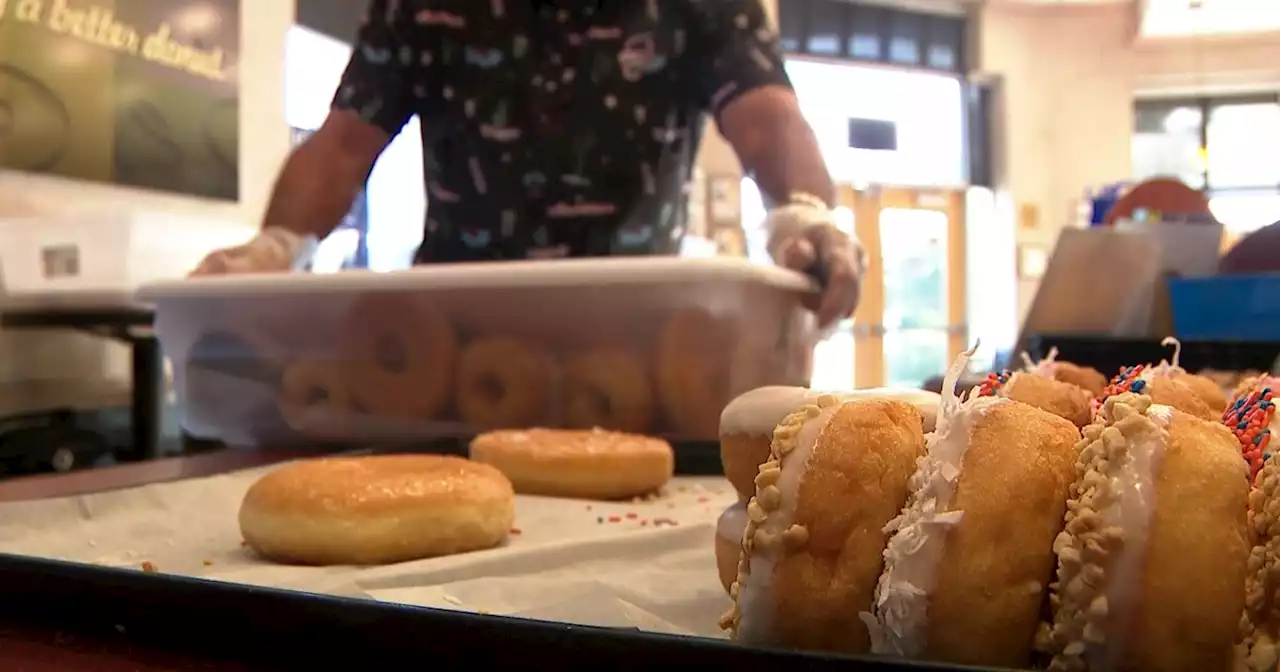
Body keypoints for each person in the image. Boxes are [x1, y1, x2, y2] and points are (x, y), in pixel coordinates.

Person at [193, 0, 865, 327]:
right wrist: (274, 248)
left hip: (635, 334)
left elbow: (768, 117)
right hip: (451, 338)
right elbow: (342, 145)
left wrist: (804, 213)